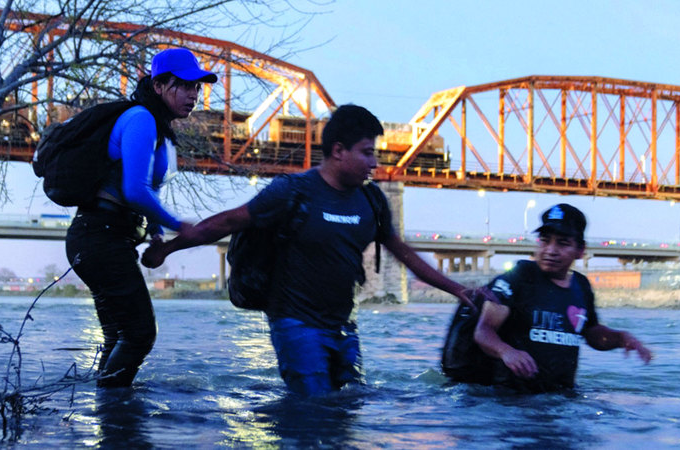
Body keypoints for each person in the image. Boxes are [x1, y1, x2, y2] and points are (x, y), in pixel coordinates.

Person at [141, 104, 472, 396]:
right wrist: (168, 248)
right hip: (295, 325)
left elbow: (403, 252)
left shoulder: (371, 200)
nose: (374, 163)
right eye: (367, 152)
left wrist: (459, 290)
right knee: (313, 409)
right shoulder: (292, 192)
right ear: (339, 150)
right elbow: (227, 222)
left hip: (343, 327)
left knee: (349, 405)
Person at [66, 48, 217, 387]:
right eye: (185, 85)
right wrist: (180, 225)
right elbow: (134, 191)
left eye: (198, 87)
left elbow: (148, 189)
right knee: (139, 334)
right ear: (159, 85)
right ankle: (117, 409)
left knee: (118, 337)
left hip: (105, 238)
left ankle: (108, 411)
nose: (194, 95)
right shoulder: (141, 119)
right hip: (98, 237)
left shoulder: (159, 128)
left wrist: (157, 233)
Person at [471, 203, 652, 392]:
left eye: (562, 243)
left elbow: (591, 333)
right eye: (545, 241)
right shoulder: (518, 278)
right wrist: (506, 352)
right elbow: (483, 330)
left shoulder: (581, 286)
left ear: (580, 250)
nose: (551, 250)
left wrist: (621, 338)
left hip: (562, 397)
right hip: (510, 398)